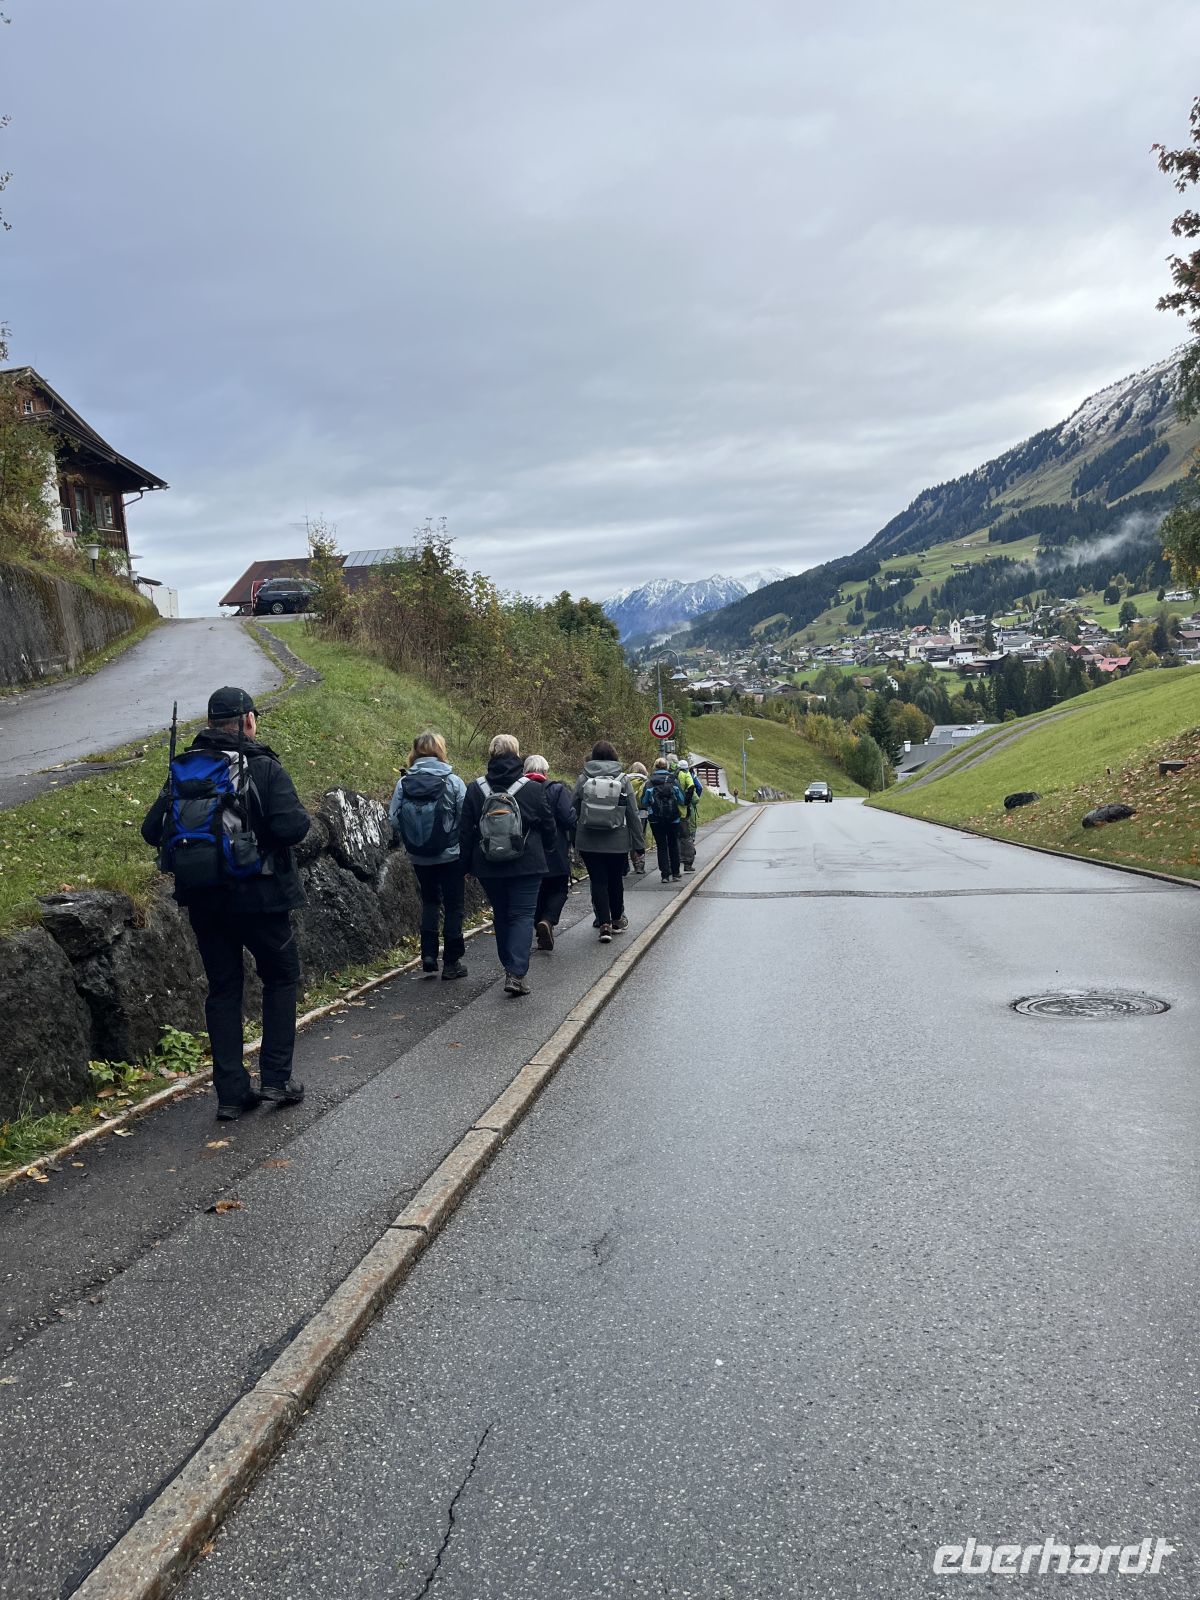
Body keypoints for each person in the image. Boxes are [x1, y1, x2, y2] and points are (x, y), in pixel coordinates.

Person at [141, 686, 311, 1120]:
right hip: (261, 898)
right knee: (280, 978)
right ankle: (276, 1078)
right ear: (249, 720)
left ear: (211, 722)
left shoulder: (185, 768)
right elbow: (293, 828)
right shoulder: (263, 766)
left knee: (223, 990)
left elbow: (150, 830)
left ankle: (232, 1094)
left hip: (205, 901)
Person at [459, 734, 556, 996]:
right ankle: (516, 972)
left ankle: (509, 965)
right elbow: (548, 824)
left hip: (488, 864)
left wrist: (466, 865)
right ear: (517, 754)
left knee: (501, 915)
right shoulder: (533, 788)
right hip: (527, 863)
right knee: (523, 915)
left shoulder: (475, 789)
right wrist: (548, 848)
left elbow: (466, 831)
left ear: (491, 755)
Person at [389, 730, 468, 980]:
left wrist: (414, 839)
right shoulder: (453, 781)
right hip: (450, 854)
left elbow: (393, 818)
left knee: (430, 902)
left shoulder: (404, 782)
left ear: (415, 752)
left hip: (419, 857)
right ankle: (452, 962)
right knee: (454, 905)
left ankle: (428, 956)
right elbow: (464, 817)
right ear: (440, 750)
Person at [572, 740, 645, 942]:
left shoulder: (583, 778)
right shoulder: (623, 779)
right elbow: (632, 814)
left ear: (592, 757)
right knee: (614, 880)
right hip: (617, 840)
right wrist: (639, 844)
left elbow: (572, 810)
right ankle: (616, 919)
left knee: (598, 880)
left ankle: (603, 923)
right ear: (614, 756)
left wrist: (571, 838)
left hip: (588, 840)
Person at [523, 754, 576, 952]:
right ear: (545, 772)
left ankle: (539, 924)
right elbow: (569, 819)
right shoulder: (556, 789)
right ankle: (548, 920)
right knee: (559, 889)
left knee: (536, 892)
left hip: (528, 853)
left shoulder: (519, 789)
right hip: (555, 851)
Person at [643, 756, 685, 883]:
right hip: (673, 819)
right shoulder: (673, 781)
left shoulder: (650, 782)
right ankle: (676, 873)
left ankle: (665, 875)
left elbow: (644, 801)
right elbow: (682, 800)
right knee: (673, 844)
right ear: (667, 767)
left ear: (655, 767)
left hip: (656, 819)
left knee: (661, 846)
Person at [675, 756, 704, 873]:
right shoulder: (689, 775)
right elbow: (698, 787)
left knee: (674, 837)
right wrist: (689, 801)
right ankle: (688, 858)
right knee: (688, 834)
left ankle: (675, 863)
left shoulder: (672, 776)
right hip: (685, 809)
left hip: (672, 811)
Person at [627, 761, 650, 875]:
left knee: (629, 839)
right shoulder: (645, 782)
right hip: (642, 814)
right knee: (640, 837)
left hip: (627, 814)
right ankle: (640, 865)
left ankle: (632, 862)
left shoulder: (625, 781)